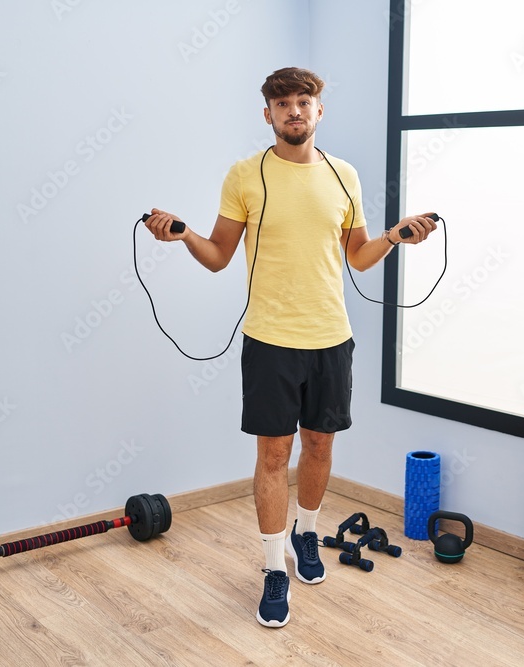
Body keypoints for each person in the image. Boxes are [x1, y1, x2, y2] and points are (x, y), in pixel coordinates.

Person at [144, 67, 437, 628]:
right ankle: (274, 568)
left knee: (320, 449)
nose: (294, 111)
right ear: (269, 115)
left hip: (331, 337)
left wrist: (395, 238)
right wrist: (181, 235)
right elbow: (219, 256)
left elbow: (358, 256)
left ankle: (308, 534)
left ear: (319, 110)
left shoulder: (344, 175)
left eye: (304, 101)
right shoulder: (245, 175)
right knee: (274, 457)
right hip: (270, 341)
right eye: (283, 104)